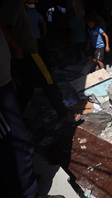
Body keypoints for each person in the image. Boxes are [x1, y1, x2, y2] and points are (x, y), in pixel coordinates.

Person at [0, 0, 81, 123]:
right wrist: (17, 48)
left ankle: (14, 120)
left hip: (25, 52)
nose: (36, 0)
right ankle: (63, 114)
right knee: (48, 81)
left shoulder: (18, 4)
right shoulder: (13, 2)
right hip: (28, 53)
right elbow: (2, 26)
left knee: (27, 87)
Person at [0, 24, 64, 198]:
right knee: (17, 145)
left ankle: (18, 184)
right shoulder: (11, 5)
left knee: (15, 143)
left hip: (4, 83)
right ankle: (26, 192)